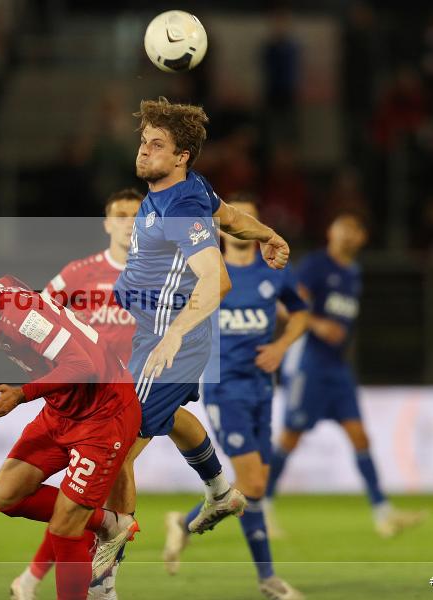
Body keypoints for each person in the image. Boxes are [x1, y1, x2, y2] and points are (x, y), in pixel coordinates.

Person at [92, 97, 292, 595]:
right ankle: (221, 492)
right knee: (168, 419)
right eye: (143, 142)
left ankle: (104, 577)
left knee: (112, 452)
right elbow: (231, 218)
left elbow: (216, 279)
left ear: (181, 155)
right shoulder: (191, 190)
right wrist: (269, 234)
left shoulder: (179, 204)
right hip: (147, 336)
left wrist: (175, 335)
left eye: (156, 145)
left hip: (164, 344)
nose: (143, 152)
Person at [0, 276, 142, 600]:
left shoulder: (18, 321)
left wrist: (22, 394)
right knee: (6, 493)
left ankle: (97, 570)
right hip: (62, 410)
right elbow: (10, 282)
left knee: (65, 525)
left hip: (103, 412)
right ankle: (111, 524)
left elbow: (85, 364)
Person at [162, 194, 309, 600]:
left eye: (250, 219)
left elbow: (301, 313)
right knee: (253, 481)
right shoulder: (207, 271)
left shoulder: (274, 270)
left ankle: (184, 523)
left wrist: (281, 347)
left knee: (252, 485)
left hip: (262, 388)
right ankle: (268, 579)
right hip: (223, 386)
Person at [10, 189, 142, 600]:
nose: (126, 221)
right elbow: (37, 309)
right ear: (106, 223)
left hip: (128, 398)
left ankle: (42, 580)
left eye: (135, 215)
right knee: (89, 495)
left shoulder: (157, 274)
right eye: (118, 214)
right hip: (83, 402)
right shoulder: (80, 273)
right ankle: (95, 584)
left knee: (86, 496)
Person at [265, 211, 427, 538]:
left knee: (359, 436)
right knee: (289, 438)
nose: (348, 234)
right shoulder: (315, 266)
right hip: (308, 363)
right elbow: (286, 307)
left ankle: (383, 512)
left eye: (354, 229)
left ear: (361, 239)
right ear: (331, 232)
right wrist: (318, 324)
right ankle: (261, 505)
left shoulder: (353, 273)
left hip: (337, 369)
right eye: (343, 227)